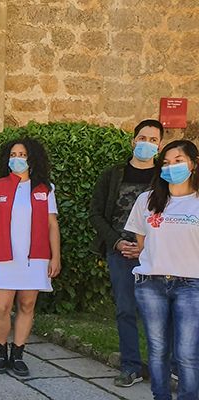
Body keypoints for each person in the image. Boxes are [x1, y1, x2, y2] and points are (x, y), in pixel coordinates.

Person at [90, 119, 164, 387]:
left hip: (155, 255)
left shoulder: (163, 178)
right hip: (120, 252)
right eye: (142, 138)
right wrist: (116, 242)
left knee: (159, 312)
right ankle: (131, 366)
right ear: (133, 141)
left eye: (153, 140)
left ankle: (163, 367)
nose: (147, 144)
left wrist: (146, 245)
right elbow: (96, 213)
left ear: (160, 146)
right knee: (125, 310)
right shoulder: (113, 175)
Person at [0, 138, 61, 376]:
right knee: (2, 306)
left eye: (22, 154)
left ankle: (18, 354)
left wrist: (56, 257)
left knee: (27, 305)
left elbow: (52, 225)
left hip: (35, 258)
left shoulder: (45, 189)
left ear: (32, 158)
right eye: (13, 154)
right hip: (2, 257)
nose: (17, 159)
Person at [125, 139, 199, 400]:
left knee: (187, 352)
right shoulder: (148, 200)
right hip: (151, 283)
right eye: (166, 163)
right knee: (157, 350)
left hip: (191, 285)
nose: (171, 167)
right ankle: (161, 396)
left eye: (178, 161)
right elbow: (142, 243)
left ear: (193, 164)